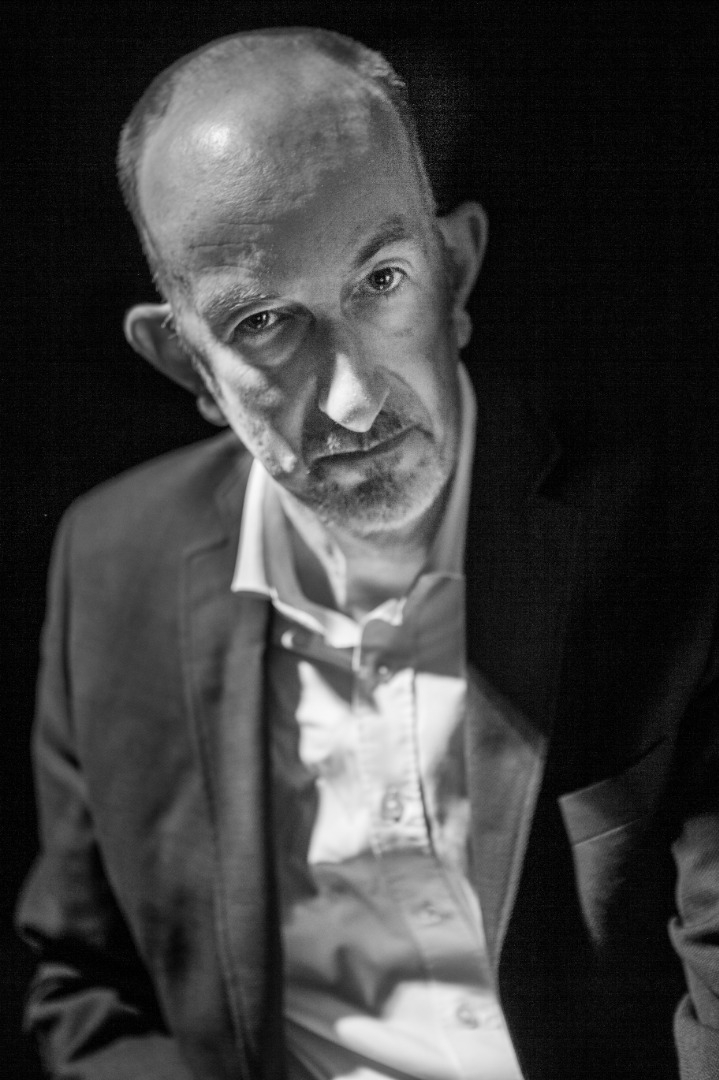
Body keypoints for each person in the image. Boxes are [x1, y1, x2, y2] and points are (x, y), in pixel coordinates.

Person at [15, 25, 719, 1080]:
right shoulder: (109, 560)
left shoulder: (680, 535)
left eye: (381, 280)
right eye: (263, 322)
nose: (350, 401)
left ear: (454, 271)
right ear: (186, 363)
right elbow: (88, 990)